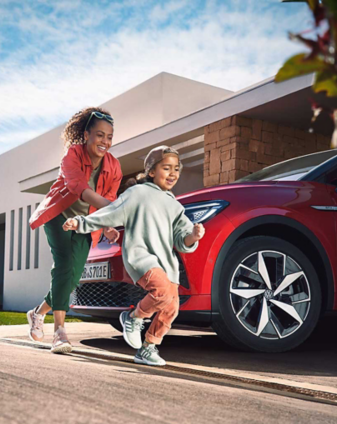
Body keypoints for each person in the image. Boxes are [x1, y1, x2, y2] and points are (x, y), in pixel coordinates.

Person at [63, 145, 205, 366]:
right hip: (141, 256)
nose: (173, 174)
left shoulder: (174, 205)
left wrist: (193, 237)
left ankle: (148, 348)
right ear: (151, 171)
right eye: (166, 168)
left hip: (166, 262)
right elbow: (109, 214)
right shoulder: (137, 194)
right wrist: (80, 222)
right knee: (162, 292)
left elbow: (182, 238)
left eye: (176, 169)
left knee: (171, 308)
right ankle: (133, 317)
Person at [27, 107, 123, 354]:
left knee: (72, 278)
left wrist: (107, 225)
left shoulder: (114, 167)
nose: (105, 141)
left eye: (109, 137)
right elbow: (80, 189)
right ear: (87, 134)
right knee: (63, 266)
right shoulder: (72, 156)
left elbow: (108, 197)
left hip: (85, 224)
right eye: (100, 135)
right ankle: (60, 332)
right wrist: (118, 210)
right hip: (59, 216)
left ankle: (37, 313)